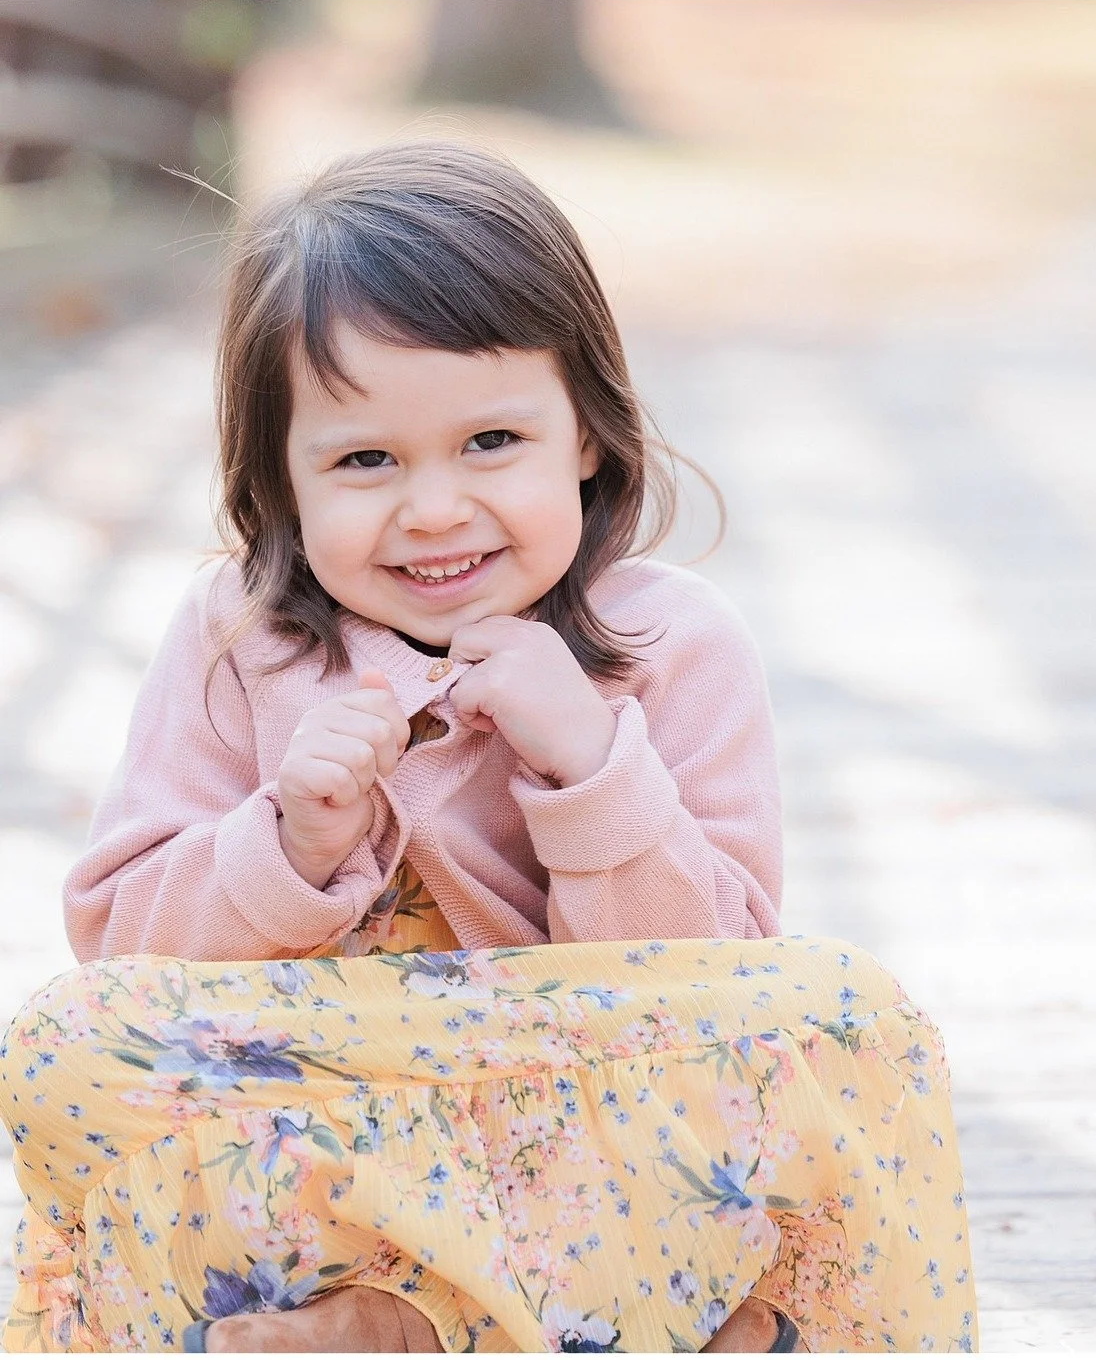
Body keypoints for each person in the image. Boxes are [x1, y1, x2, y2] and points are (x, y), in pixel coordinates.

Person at [0, 141, 976, 1354]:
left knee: (847, 1012)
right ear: (283, 481)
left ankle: (498, 1323)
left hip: (595, 1136)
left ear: (584, 433)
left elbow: (717, 982)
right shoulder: (235, 639)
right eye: (364, 460)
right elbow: (121, 942)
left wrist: (591, 769)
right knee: (59, 1041)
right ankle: (406, 1316)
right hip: (338, 1123)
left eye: (491, 442)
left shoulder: (667, 642)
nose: (433, 508)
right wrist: (290, 843)